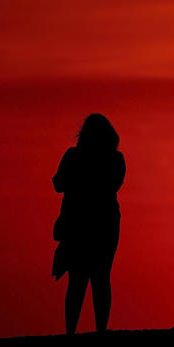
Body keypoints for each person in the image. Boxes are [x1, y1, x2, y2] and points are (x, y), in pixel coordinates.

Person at [52, 113, 125, 335]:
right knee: (101, 277)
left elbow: (58, 185)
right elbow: (113, 186)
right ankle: (100, 329)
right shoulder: (115, 158)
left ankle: (71, 331)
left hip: (78, 220)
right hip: (105, 220)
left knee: (77, 280)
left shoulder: (73, 156)